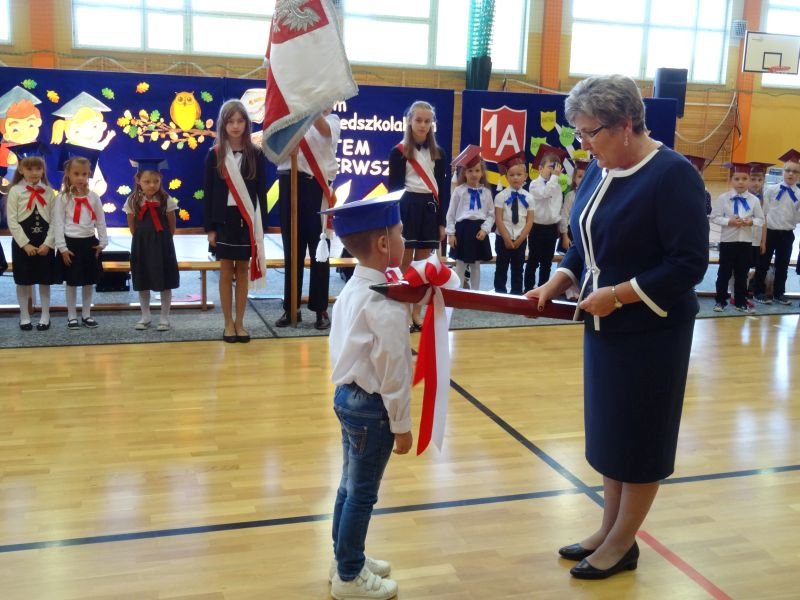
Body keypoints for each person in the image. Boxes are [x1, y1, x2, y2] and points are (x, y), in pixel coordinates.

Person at [528, 74, 708, 580]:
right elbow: (585, 239)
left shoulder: (672, 175)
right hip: (604, 326)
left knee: (642, 440)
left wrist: (619, 294)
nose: (584, 144)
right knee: (612, 435)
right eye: (580, 133)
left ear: (626, 124)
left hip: (654, 333)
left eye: (591, 132)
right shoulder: (600, 167)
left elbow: (688, 264)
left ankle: (623, 542)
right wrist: (559, 279)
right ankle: (608, 529)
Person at [323, 193, 413, 600]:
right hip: (372, 409)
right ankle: (349, 576)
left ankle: (344, 557)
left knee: (348, 486)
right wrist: (402, 426)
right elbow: (394, 373)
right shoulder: (384, 303)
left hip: (346, 396)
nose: (404, 240)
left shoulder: (356, 288)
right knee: (362, 493)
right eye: (400, 233)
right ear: (383, 244)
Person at [203, 99, 267, 343]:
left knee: (242, 270)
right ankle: (227, 323)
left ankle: (240, 322)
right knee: (225, 270)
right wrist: (210, 228)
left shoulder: (256, 154)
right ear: (223, 124)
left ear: (247, 124)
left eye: (240, 121)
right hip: (223, 220)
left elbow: (261, 192)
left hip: (247, 219)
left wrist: (261, 227)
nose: (236, 126)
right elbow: (209, 193)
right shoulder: (215, 155)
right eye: (231, 121)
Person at [274, 109, 340, 330]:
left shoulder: (332, 120)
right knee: (292, 250)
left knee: (319, 250)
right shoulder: (288, 118)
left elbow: (324, 130)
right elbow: (274, 149)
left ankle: (320, 309)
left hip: (316, 187)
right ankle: (291, 307)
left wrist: (308, 105)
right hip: (289, 181)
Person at [388, 100, 450, 331]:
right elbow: (393, 190)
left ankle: (417, 312)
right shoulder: (398, 152)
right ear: (410, 121)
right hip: (407, 207)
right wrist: (395, 220)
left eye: (427, 121)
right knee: (404, 263)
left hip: (429, 208)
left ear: (432, 124)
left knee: (423, 265)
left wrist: (442, 222)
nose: (423, 125)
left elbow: (442, 190)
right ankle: (403, 311)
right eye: (419, 120)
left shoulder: (439, 154)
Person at [5, 143, 59, 330]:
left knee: (44, 280)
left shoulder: (49, 192)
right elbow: (12, 221)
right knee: (23, 280)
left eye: (38, 168)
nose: (34, 173)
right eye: (29, 169)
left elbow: (54, 220)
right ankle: (24, 316)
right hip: (23, 244)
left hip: (44, 243)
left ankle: (45, 315)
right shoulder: (15, 191)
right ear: (21, 169)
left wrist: (48, 243)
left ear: (43, 170)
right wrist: (25, 244)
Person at [53, 149, 108, 331]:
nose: (80, 178)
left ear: (89, 175)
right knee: (72, 282)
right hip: (70, 244)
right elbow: (58, 223)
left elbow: (100, 221)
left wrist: (102, 242)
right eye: (76, 174)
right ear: (68, 173)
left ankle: (86, 314)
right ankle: (71, 315)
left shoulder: (94, 197)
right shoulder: (63, 198)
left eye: (84, 174)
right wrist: (62, 248)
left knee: (88, 281)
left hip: (89, 243)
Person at [123, 158, 180, 331]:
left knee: (165, 280)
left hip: (162, 245)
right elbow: (132, 226)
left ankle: (164, 317)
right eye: (147, 181)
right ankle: (145, 315)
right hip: (141, 245)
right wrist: (142, 238)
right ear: (138, 181)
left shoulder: (166, 199)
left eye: (156, 181)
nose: (152, 185)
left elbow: (172, 224)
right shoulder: (133, 200)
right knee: (143, 279)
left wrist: (163, 239)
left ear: (161, 180)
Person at [709, 162, 764, 313]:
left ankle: (740, 301)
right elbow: (714, 217)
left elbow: (761, 219)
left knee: (742, 274)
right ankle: (720, 301)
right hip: (728, 241)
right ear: (731, 180)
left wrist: (751, 221)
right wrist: (729, 221)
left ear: (749, 180)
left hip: (745, 242)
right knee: (724, 273)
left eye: (744, 178)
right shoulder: (723, 198)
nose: (741, 182)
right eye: (737, 178)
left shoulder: (754, 200)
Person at [752, 149, 800, 305]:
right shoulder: (771, 190)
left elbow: (798, 217)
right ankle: (758, 291)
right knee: (763, 264)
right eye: (788, 170)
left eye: (795, 172)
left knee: (782, 265)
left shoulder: (799, 194)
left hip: (787, 234)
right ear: (782, 172)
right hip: (769, 233)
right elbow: (764, 213)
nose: (791, 174)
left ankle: (779, 293)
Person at [445, 144, 494, 291]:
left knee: (476, 265)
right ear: (464, 173)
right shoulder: (459, 191)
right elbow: (451, 213)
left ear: (482, 173)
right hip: (462, 231)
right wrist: (451, 233)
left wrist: (485, 229)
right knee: (460, 264)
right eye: (470, 170)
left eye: (477, 170)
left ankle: (475, 293)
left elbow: (491, 214)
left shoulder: (486, 192)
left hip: (478, 230)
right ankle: (459, 292)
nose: (474, 174)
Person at [525, 143, 568, 292]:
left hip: (551, 228)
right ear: (540, 168)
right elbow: (544, 193)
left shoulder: (557, 187)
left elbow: (559, 209)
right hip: (537, 228)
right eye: (551, 167)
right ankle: (528, 288)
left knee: (547, 262)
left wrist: (562, 230)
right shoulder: (534, 184)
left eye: (557, 167)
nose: (554, 170)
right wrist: (554, 178)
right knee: (533, 260)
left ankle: (543, 289)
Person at [493, 151, 534, 295]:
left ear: (525, 176)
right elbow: (498, 218)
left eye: (519, 174)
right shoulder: (501, 196)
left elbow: (530, 220)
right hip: (502, 238)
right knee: (501, 267)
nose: (515, 177)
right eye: (511, 175)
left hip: (520, 239)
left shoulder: (529, 198)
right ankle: (500, 292)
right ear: (506, 177)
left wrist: (521, 239)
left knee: (518, 268)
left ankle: (516, 293)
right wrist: (506, 238)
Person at [746, 161, 772, 300]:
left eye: (760, 180)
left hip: (756, 240)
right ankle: (737, 293)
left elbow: (764, 222)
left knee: (755, 265)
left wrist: (763, 242)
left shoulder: (764, 201)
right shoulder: (743, 198)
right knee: (740, 268)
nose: (756, 183)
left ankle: (752, 291)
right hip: (743, 239)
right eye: (753, 179)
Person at [559, 157, 589, 252]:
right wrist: (565, 236)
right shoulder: (570, 196)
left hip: (587, 233)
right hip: (572, 233)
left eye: (586, 177)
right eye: (580, 176)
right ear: (574, 178)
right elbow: (564, 216)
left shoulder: (593, 195)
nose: (583, 180)